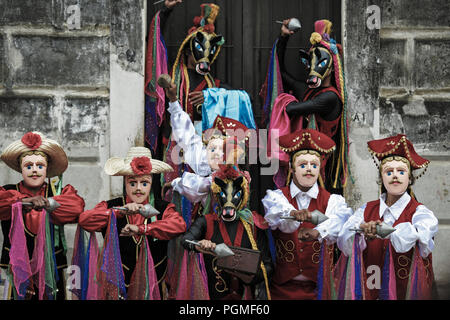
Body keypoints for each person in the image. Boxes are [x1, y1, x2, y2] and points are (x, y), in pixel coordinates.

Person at [337, 134, 438, 300]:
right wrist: (362, 230)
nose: (395, 176)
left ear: (410, 178)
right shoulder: (366, 210)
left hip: (405, 293)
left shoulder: (421, 213)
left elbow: (421, 237)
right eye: (389, 171)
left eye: (401, 171)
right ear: (381, 178)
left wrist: (383, 230)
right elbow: (344, 240)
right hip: (372, 288)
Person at [78, 146, 186, 300]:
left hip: (154, 286)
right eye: (132, 183)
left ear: (151, 183)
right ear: (125, 183)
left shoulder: (163, 208)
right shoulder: (111, 205)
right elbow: (84, 220)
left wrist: (142, 229)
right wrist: (118, 212)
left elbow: (179, 225)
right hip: (118, 287)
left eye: (144, 183)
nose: (138, 189)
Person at [262, 129, 352, 299]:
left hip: (320, 290)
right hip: (281, 291)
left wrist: (317, 231)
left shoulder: (333, 201)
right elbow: (279, 215)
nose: (309, 170)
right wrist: (293, 213)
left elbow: (339, 222)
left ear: (319, 169)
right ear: (291, 168)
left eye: (314, 165)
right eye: (303, 165)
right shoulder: (277, 197)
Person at [262, 19, 350, 192]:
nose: (313, 68)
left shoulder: (330, 97)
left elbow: (292, 109)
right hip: (299, 163)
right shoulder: (307, 91)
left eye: (321, 63)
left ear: (332, 68)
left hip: (320, 167)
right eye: (311, 62)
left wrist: (286, 100)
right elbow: (281, 72)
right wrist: (284, 38)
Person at [0, 131, 85, 300]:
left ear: (47, 169)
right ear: (20, 168)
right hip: (18, 270)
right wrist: (25, 201)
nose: (34, 171)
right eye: (28, 166)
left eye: (40, 166)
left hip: (53, 271)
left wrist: (48, 203)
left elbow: (76, 208)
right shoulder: (9, 192)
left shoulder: (59, 192)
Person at [181, 164, 273, 300]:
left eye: (236, 195)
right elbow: (185, 240)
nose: (229, 203)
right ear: (218, 195)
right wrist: (198, 244)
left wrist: (248, 277)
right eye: (223, 195)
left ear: (243, 196)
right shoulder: (206, 222)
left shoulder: (253, 225)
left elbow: (268, 265)